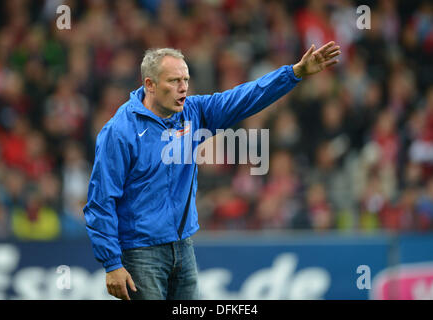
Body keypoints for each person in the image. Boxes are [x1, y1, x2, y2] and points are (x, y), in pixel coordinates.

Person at [83, 42, 341, 300]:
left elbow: (244, 97)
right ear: (149, 84)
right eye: (174, 81)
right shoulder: (119, 132)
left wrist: (293, 73)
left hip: (183, 247)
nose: (183, 87)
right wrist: (112, 263)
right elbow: (100, 201)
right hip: (141, 253)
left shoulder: (192, 112)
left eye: (185, 79)